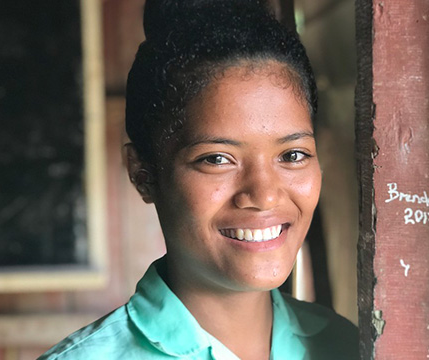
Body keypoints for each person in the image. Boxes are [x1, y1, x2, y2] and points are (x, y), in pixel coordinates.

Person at [39, 0, 358, 359]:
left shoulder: (345, 345)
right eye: (217, 159)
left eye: (292, 155)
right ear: (142, 174)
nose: (265, 195)